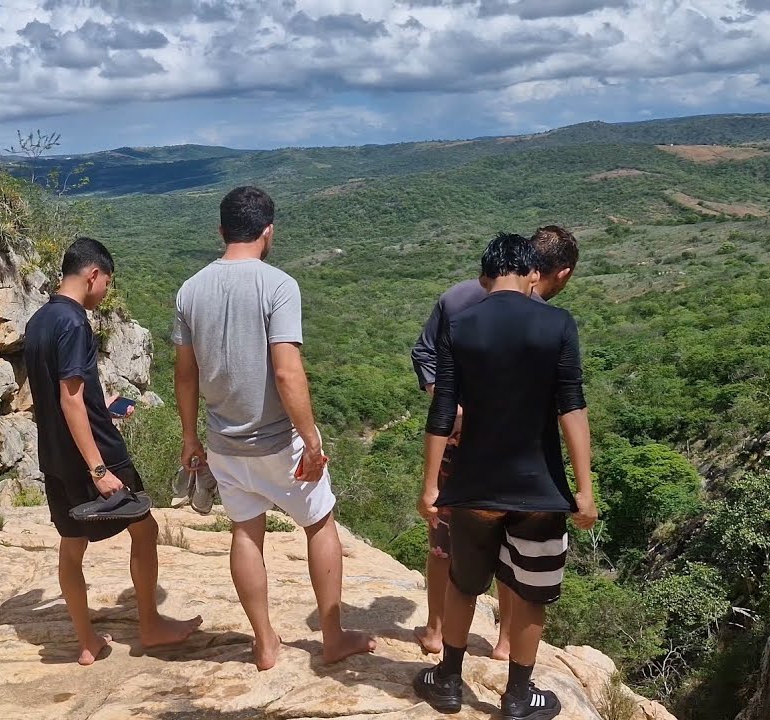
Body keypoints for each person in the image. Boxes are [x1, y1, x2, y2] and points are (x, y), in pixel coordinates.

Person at [173, 186, 375, 671]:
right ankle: (332, 638)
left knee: (245, 532)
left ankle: (264, 644)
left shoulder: (189, 289)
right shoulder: (279, 285)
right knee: (319, 523)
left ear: (221, 231)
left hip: (224, 440)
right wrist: (312, 439)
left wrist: (189, 438)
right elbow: (287, 372)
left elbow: (185, 373)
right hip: (278, 440)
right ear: (269, 232)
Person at [412, 233, 597, 718]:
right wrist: (584, 489)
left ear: (487, 273)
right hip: (541, 490)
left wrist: (431, 485)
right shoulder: (557, 324)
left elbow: (442, 411)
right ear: (533, 273)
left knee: (463, 584)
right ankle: (518, 696)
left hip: (474, 485)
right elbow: (572, 407)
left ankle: (448, 682)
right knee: (532, 593)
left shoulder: (463, 324)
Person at [24, 237, 203, 666]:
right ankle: (151, 625)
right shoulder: (74, 323)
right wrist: (100, 468)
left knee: (71, 544)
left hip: (54, 454)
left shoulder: (38, 321)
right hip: (96, 453)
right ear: (93, 275)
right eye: (107, 283)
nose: (106, 293)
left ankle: (87, 641)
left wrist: (98, 406)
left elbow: (57, 395)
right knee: (145, 530)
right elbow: (70, 398)